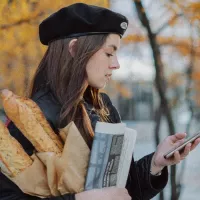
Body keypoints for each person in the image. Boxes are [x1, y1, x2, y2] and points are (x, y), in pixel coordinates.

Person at [0, 3, 199, 200]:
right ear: (75, 48)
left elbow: (124, 190)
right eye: (109, 53)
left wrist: (155, 164)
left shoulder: (103, 107)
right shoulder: (30, 116)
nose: (116, 64)